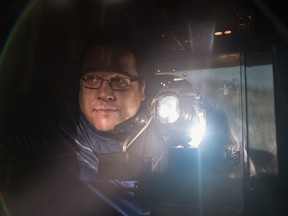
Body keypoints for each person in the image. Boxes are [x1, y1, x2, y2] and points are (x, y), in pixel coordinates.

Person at [0, 31, 167, 216]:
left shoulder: (166, 136)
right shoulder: (62, 123)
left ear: (142, 90)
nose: (104, 93)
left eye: (119, 80)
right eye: (92, 78)